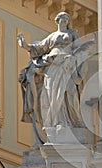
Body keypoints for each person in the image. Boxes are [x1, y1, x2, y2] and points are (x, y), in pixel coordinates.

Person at [17, 12, 88, 144]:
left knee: (70, 93)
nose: (65, 20)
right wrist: (25, 45)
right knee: (52, 94)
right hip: (53, 64)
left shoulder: (72, 34)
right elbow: (39, 48)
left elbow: (80, 50)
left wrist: (75, 60)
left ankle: (74, 120)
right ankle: (58, 121)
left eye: (67, 18)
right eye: (62, 18)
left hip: (67, 65)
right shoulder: (52, 37)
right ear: (57, 20)